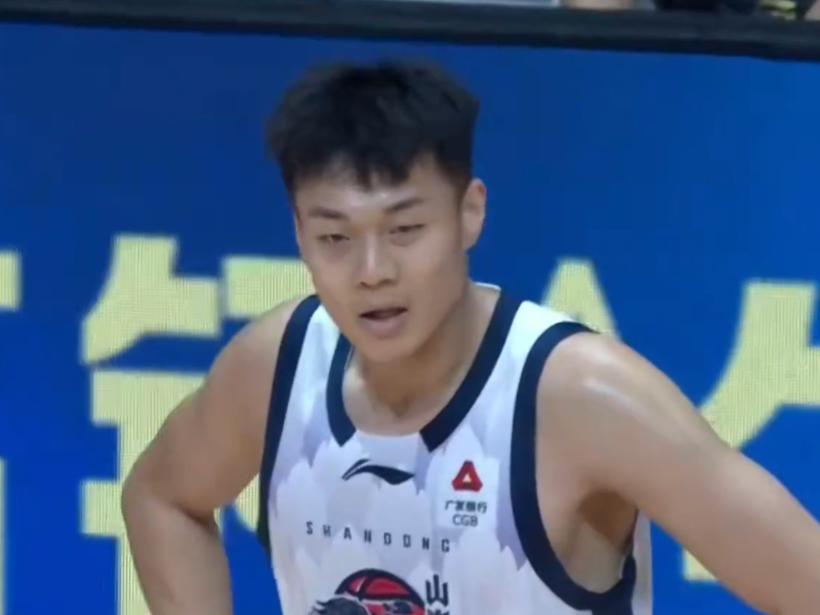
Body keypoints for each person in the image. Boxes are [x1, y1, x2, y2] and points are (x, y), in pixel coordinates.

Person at [121, 60, 820, 615]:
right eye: (335, 237)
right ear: (299, 234)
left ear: (470, 213)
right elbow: (160, 498)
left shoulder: (581, 396)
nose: (372, 271)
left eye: (405, 229)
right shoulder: (275, 366)